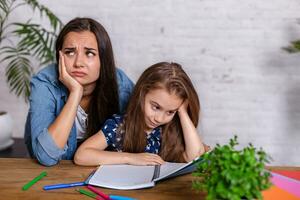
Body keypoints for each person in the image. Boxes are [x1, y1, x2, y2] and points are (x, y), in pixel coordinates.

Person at [24, 17, 134, 166]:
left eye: (89, 53)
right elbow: (46, 156)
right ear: (59, 56)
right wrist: (75, 93)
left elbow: (150, 127)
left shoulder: (121, 85)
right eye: (70, 52)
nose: (78, 63)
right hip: (54, 172)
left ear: (103, 59)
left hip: (103, 169)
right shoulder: (45, 83)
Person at [74, 62, 207, 166]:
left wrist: (182, 111)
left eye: (170, 112)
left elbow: (196, 156)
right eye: (155, 107)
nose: (159, 118)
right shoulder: (119, 126)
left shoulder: (170, 130)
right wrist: (130, 158)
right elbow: (81, 155)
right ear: (141, 94)